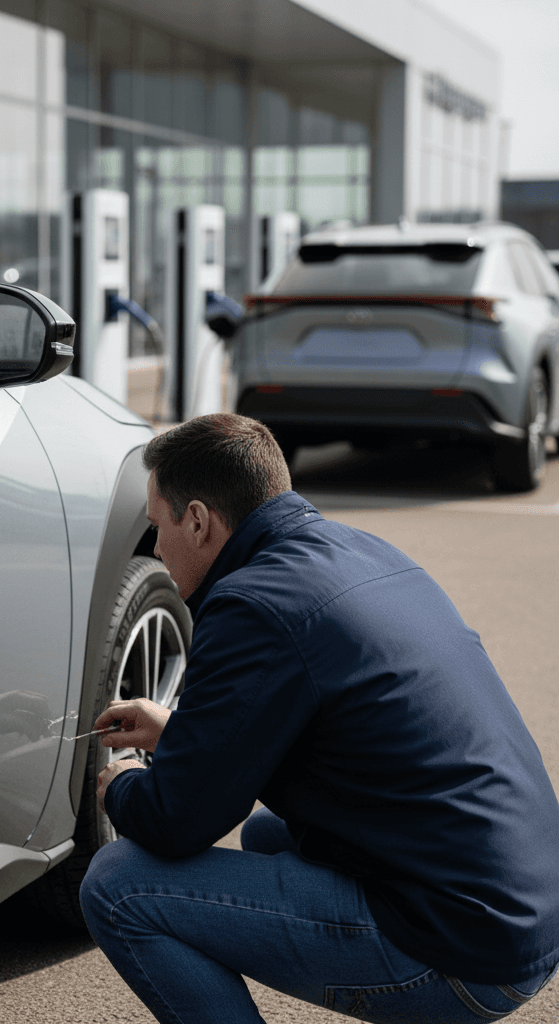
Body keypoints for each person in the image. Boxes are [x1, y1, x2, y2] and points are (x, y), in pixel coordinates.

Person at [79, 413, 559, 1024]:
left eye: (157, 526)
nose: (154, 548)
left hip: (465, 953)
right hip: (526, 909)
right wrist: (180, 729)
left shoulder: (252, 605)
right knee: (268, 836)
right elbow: (336, 731)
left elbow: (177, 822)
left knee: (120, 884)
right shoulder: (356, 551)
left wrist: (120, 785)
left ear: (197, 520)